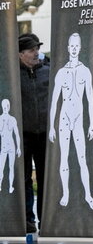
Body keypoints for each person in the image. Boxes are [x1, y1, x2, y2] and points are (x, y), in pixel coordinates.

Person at [48, 33, 93, 210]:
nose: (74, 49)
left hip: (78, 118)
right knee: (64, 158)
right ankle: (66, 194)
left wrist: (91, 124)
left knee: (82, 158)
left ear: (80, 48)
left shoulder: (85, 71)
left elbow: (90, 99)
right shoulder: (61, 73)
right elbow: (54, 101)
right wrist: (52, 126)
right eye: (72, 46)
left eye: (77, 46)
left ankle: (88, 195)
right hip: (64, 118)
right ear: (68, 48)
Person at [18, 33, 49, 232]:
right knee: (24, 178)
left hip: (45, 133)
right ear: (20, 54)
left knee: (45, 177)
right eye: (31, 50)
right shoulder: (11, 75)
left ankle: (45, 220)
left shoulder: (48, 71)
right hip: (23, 134)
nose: (36, 53)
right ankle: (27, 221)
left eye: (37, 49)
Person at [0, 99, 21, 193]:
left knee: (11, 167)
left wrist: (19, 147)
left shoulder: (13, 119)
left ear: (9, 107)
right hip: (3, 146)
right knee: (1, 167)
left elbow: (17, 134)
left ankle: (10, 186)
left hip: (12, 146)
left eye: (6, 106)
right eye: (3, 106)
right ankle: (0, 184)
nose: (5, 108)